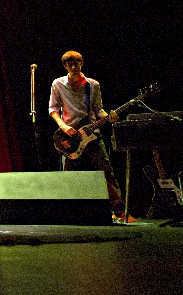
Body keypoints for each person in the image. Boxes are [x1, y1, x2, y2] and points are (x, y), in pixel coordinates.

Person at [49, 50, 132, 222]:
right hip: (70, 136)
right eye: (69, 63)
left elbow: (98, 110)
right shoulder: (57, 84)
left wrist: (109, 116)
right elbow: (53, 109)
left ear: (82, 63)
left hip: (92, 135)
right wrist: (63, 127)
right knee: (70, 176)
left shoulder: (93, 85)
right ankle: (69, 212)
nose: (73, 66)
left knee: (105, 171)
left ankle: (119, 210)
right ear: (65, 66)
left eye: (76, 62)